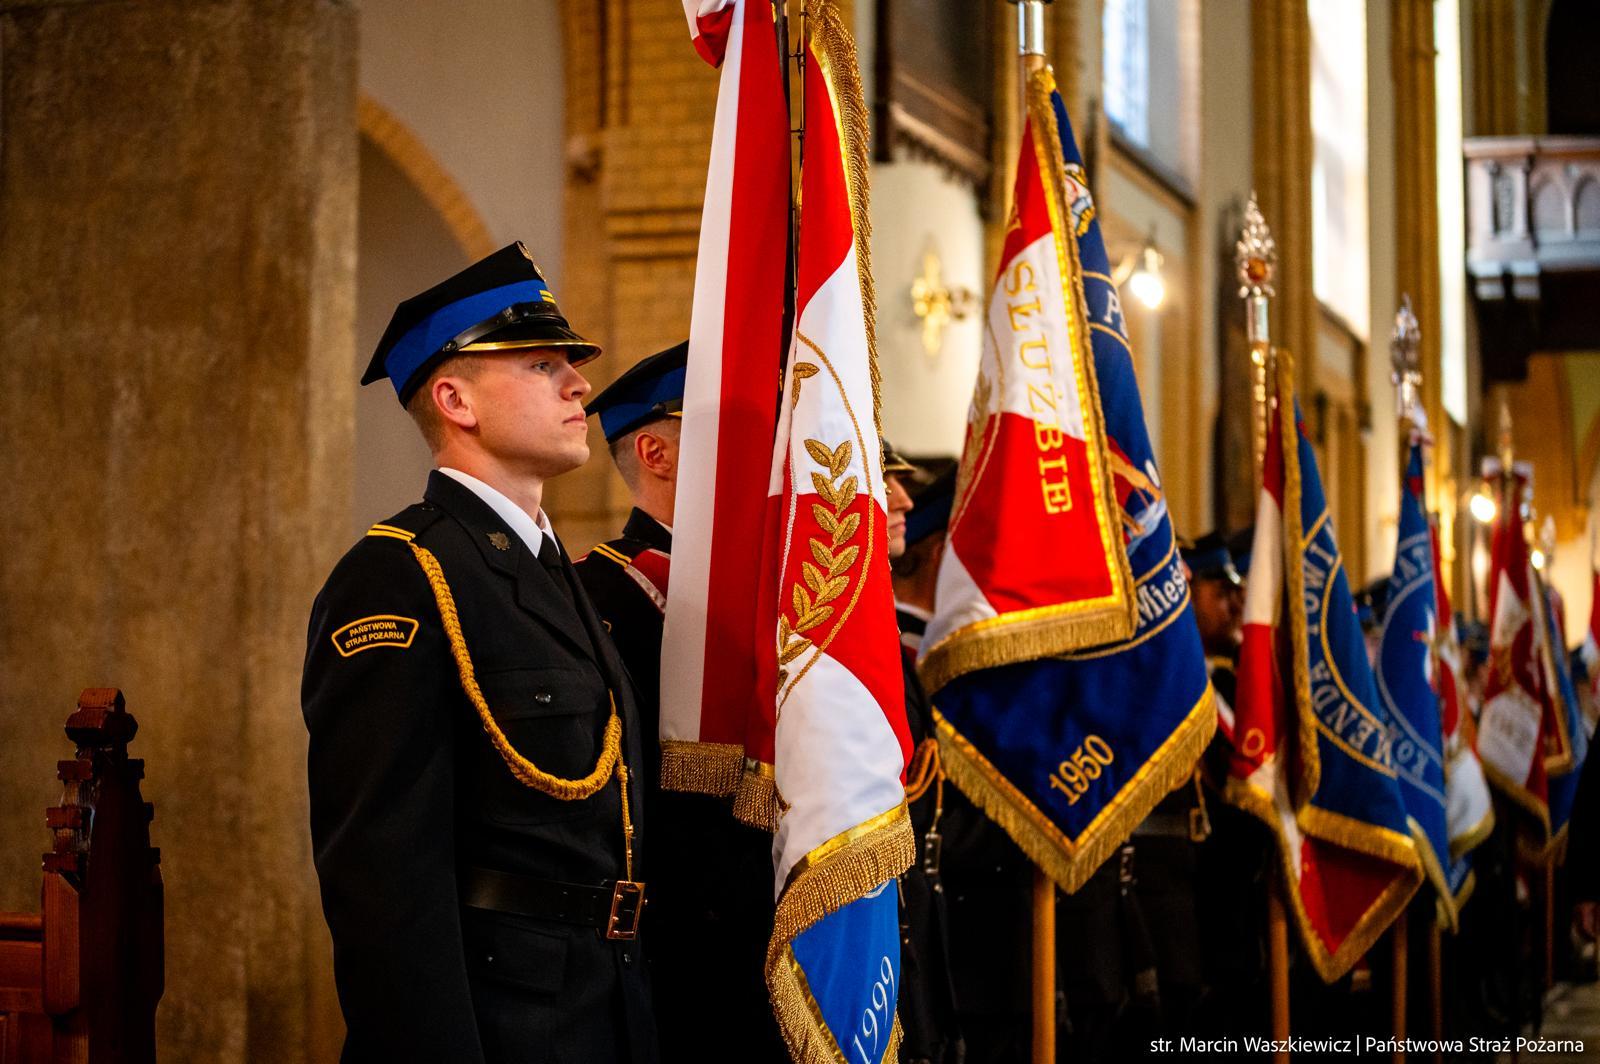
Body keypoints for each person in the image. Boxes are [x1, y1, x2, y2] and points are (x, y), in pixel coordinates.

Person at [301, 244, 656, 1064]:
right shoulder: (402, 576)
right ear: (454, 399)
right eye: (541, 365)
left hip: (608, 1011)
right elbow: (383, 884)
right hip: (505, 1030)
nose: (578, 385)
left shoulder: (553, 570)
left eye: (571, 366)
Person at [574, 342, 786, 1062]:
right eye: (728, 433)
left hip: (781, 924)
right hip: (681, 955)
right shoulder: (597, 595)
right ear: (654, 453)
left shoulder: (771, 587)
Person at [893, 466, 1032, 1064]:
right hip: (955, 922)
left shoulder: (956, 652)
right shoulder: (908, 653)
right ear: (941, 552)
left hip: (986, 934)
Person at [884, 449, 964, 1064]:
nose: (903, 498)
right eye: (886, 481)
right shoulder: (905, 647)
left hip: (924, 911)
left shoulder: (897, 645)